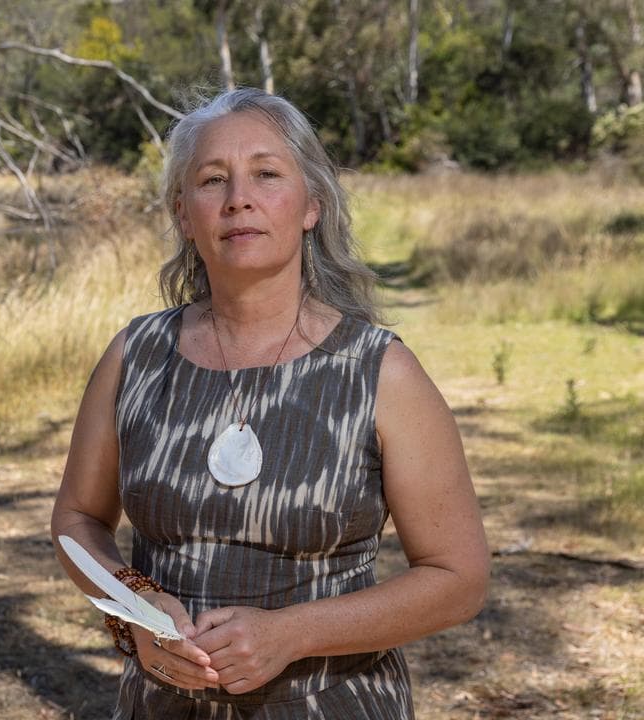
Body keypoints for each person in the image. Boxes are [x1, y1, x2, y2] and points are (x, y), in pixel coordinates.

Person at [50, 88, 490, 719]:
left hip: (330, 704)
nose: (238, 199)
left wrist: (293, 634)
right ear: (183, 212)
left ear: (311, 204)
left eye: (266, 173)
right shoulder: (135, 356)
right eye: (212, 180)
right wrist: (133, 607)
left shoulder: (378, 372)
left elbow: (458, 580)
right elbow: (77, 519)